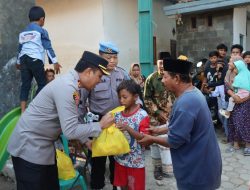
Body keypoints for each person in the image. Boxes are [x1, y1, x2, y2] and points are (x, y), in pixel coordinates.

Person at [8, 51, 114, 190]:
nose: (100, 81)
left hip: (43, 148)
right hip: (29, 149)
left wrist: (85, 141)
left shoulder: (73, 85)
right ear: (88, 72)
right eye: (99, 76)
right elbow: (70, 130)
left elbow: (70, 121)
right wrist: (100, 124)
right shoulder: (67, 87)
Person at [139, 58, 222, 190]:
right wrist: (157, 131)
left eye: (165, 77)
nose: (162, 80)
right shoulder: (192, 93)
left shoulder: (186, 103)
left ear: (176, 78)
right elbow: (179, 125)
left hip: (197, 170)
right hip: (203, 163)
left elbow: (174, 140)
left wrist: (151, 139)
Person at [88, 42, 129, 190]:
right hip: (97, 121)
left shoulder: (122, 74)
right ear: (100, 57)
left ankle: (115, 185)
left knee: (116, 159)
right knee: (97, 159)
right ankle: (97, 186)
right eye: (108, 57)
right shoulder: (93, 74)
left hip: (117, 121)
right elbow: (82, 99)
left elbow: (132, 95)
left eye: (115, 57)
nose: (112, 61)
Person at [16, 6, 62, 113]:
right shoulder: (42, 31)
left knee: (25, 85)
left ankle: (23, 111)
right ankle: (33, 106)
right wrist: (55, 62)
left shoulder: (23, 32)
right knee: (42, 84)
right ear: (42, 19)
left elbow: (20, 48)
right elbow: (48, 47)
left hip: (24, 60)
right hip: (35, 60)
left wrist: (18, 62)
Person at [144, 52, 175, 182]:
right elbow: (147, 98)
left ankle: (169, 168)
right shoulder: (151, 79)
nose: (161, 66)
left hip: (171, 116)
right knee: (155, 143)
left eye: (164, 63)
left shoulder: (174, 77)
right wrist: (158, 113)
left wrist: (171, 113)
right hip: (155, 118)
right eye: (160, 63)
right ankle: (157, 168)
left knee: (169, 143)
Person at [113, 80, 149, 190]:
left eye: (125, 97)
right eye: (119, 97)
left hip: (135, 162)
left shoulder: (142, 115)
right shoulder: (117, 114)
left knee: (135, 187)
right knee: (122, 186)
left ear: (135, 97)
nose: (121, 100)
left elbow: (145, 139)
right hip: (120, 160)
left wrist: (128, 128)